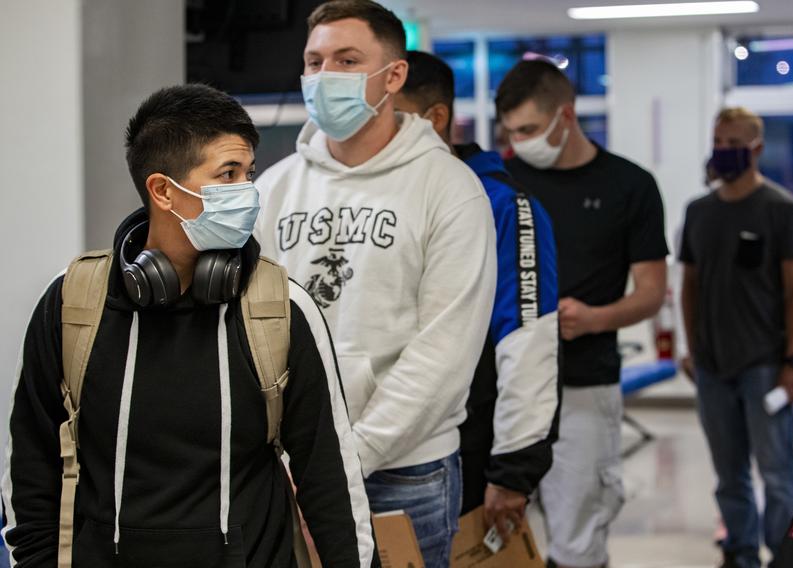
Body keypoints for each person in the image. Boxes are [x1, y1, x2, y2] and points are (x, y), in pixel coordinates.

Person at [1, 84, 376, 567]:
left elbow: (329, 474)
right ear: (162, 190)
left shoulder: (279, 307)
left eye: (249, 173)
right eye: (228, 174)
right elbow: (30, 465)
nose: (247, 192)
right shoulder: (73, 302)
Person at [253, 2, 496, 566]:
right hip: (288, 465)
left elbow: (445, 350)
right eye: (314, 61)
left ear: (393, 76)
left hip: (406, 471)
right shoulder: (274, 189)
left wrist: (347, 457)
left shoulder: (450, 189)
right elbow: (249, 329)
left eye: (346, 59)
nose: (323, 76)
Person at [496, 60, 669, 568]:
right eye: (509, 131)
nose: (518, 142)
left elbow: (653, 293)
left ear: (565, 116)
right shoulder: (502, 180)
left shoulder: (629, 185)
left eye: (528, 130)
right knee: (495, 533)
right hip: (506, 386)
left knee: (577, 537)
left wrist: (593, 318)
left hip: (584, 386)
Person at [395, 50, 560, 541]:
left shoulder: (503, 204)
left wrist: (514, 470)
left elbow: (528, 340)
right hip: (388, 443)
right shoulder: (389, 198)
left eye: (389, 116)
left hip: (467, 449)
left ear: (435, 118)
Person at [680, 107, 793, 568]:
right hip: (713, 366)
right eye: (720, 141)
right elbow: (690, 286)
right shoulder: (699, 212)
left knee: (777, 474)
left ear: (756, 148)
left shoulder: (782, 210)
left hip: (765, 364)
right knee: (728, 474)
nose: (724, 151)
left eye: (735, 143)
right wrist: (693, 351)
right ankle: (740, 552)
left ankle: (786, 555)